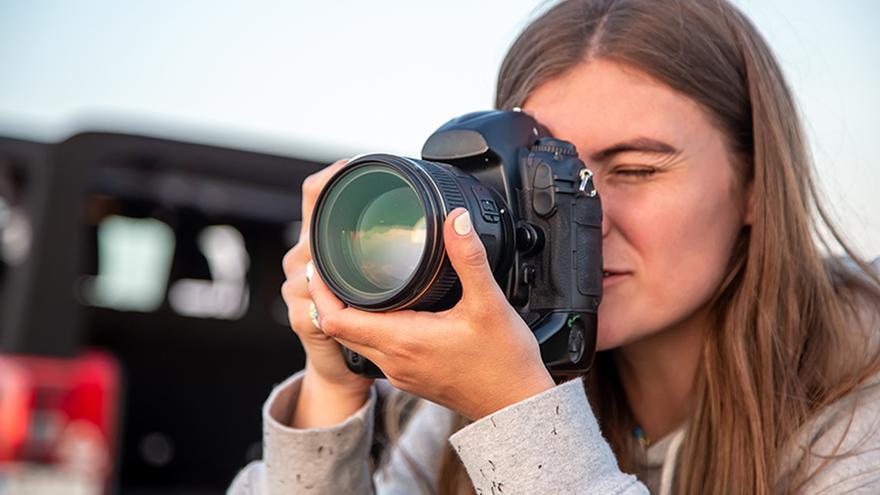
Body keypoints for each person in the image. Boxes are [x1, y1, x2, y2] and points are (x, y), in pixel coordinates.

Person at [229, 0, 880, 493]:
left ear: (756, 188)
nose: (586, 218)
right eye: (551, 180)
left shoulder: (860, 410)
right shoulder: (473, 387)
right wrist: (334, 383)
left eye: (635, 170)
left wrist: (517, 412)